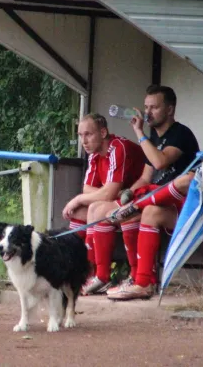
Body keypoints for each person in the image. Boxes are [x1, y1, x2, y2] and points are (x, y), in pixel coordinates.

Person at [85, 85, 200, 298]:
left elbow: (160, 161)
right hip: (158, 199)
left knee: (144, 211)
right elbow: (145, 178)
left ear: (170, 110)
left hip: (183, 204)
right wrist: (128, 193)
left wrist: (138, 132)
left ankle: (144, 281)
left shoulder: (181, 133)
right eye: (146, 107)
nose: (147, 112)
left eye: (154, 107)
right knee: (105, 210)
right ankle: (112, 276)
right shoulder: (153, 139)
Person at [61, 113, 145, 292]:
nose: (84, 140)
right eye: (80, 135)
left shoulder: (117, 147)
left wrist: (78, 199)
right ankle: (80, 271)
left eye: (88, 134)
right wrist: (105, 193)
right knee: (77, 212)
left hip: (140, 199)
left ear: (103, 132)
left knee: (95, 208)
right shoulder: (94, 153)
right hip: (119, 201)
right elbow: (88, 189)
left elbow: (107, 193)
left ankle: (101, 275)